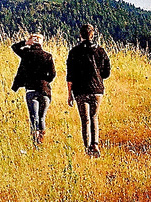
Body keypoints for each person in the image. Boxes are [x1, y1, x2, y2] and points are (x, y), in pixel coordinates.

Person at [66, 24, 111, 157]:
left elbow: (70, 76)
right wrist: (98, 76)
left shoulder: (74, 52)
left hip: (80, 90)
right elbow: (106, 73)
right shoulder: (100, 51)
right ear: (92, 35)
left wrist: (69, 94)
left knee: (84, 119)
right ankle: (95, 144)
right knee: (94, 117)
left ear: (80, 35)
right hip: (97, 89)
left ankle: (87, 148)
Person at [11, 33, 56, 145]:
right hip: (44, 90)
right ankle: (41, 139)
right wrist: (45, 81)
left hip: (31, 89)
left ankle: (35, 142)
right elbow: (52, 74)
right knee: (42, 117)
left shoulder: (26, 54)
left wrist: (26, 43)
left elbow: (14, 47)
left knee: (33, 117)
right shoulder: (48, 56)